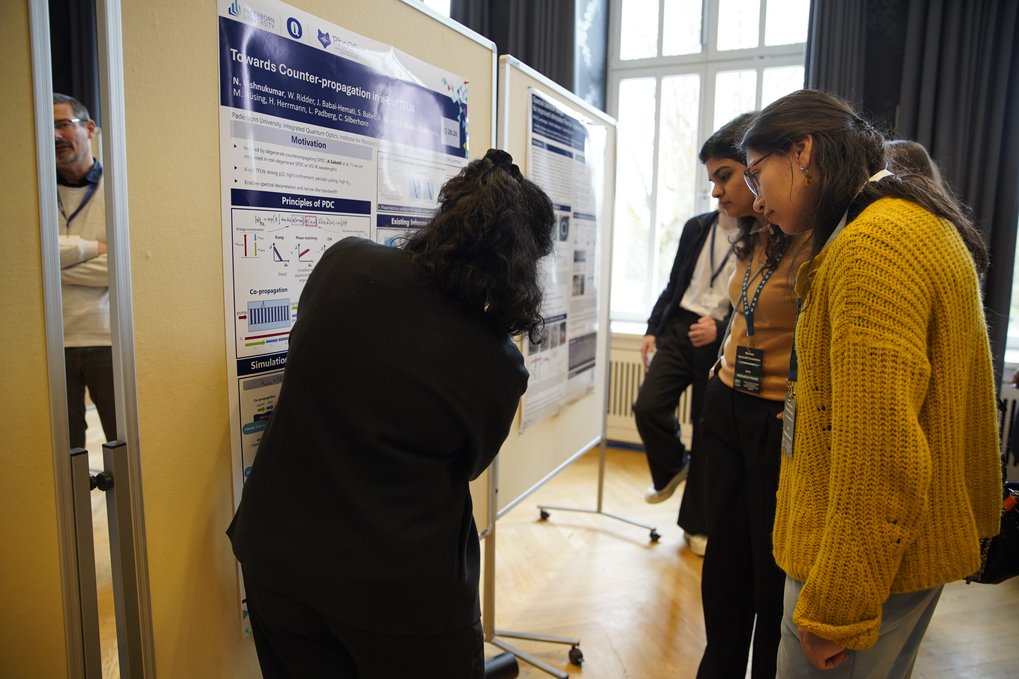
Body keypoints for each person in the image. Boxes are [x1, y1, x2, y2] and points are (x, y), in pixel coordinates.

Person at [227, 149, 555, 679]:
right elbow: (467, 466)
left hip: (276, 559)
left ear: (446, 216)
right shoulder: (496, 362)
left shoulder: (345, 262)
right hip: (399, 596)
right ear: (521, 262)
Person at [741, 89, 1001, 677]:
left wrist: (836, 608)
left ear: (802, 151)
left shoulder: (871, 248)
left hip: (858, 566)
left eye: (758, 176)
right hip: (893, 554)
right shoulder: (906, 222)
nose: (756, 201)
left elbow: (882, 457)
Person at [631, 114, 752, 560]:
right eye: (713, 181)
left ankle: (696, 524)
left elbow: (756, 303)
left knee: (707, 431)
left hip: (720, 341)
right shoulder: (696, 227)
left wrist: (719, 329)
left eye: (724, 177)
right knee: (647, 406)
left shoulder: (762, 229)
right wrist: (652, 328)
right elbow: (674, 282)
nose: (717, 191)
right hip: (681, 327)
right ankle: (671, 469)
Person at [54, 93, 117, 449]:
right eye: (48, 128)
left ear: (89, 128)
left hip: (106, 338)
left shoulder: (117, 188)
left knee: (120, 442)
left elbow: (119, 268)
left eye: (63, 124)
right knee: (66, 455)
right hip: (52, 340)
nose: (56, 136)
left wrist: (55, 265)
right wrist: (91, 248)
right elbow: (29, 263)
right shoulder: (35, 193)